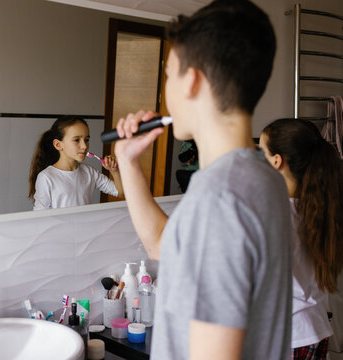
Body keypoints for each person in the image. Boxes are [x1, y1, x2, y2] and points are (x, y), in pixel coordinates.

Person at [113, 1, 293, 359]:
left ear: (192, 80)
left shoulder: (218, 199)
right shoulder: (264, 178)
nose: (166, 89)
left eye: (168, 75)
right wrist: (127, 162)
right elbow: (164, 247)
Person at [260, 118, 343, 359]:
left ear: (276, 161)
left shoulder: (275, 213)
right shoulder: (318, 208)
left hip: (287, 336)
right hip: (315, 328)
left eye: (261, 152)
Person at [29, 116, 123, 210]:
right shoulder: (46, 177)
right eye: (76, 140)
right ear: (58, 145)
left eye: (86, 140)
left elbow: (120, 192)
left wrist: (114, 171)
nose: (84, 146)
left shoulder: (90, 172)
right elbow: (40, 215)